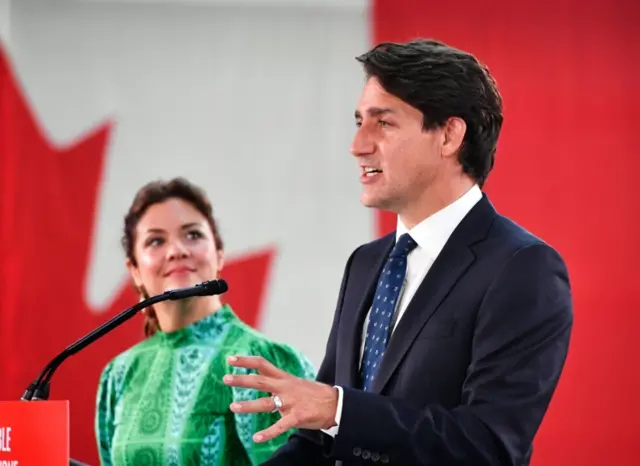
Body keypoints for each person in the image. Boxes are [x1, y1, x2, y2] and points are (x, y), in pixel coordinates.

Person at [222, 39, 573, 465]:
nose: (358, 145)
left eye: (383, 124)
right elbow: (320, 443)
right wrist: (332, 413)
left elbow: (488, 446)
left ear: (448, 135)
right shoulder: (366, 263)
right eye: (358, 122)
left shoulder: (522, 268)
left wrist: (338, 409)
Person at [94, 177, 316, 465]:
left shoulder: (264, 361)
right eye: (156, 240)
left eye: (193, 235)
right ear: (134, 270)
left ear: (219, 254)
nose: (177, 250)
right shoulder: (119, 374)